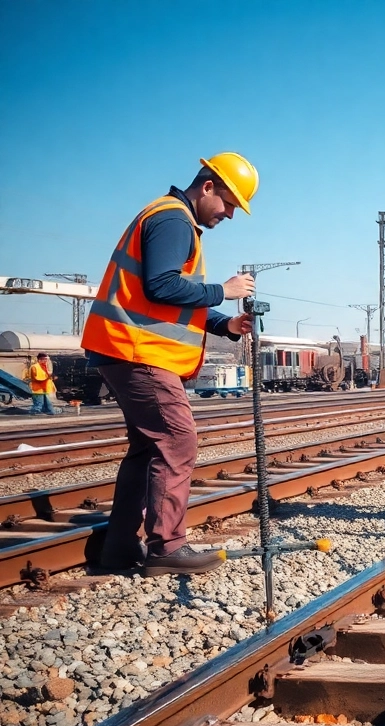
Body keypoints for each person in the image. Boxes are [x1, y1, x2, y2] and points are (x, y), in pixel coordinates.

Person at [81, 153, 259, 576]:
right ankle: (166, 547)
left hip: (125, 348)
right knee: (178, 441)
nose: (230, 215)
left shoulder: (171, 218)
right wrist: (224, 290)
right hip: (137, 350)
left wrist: (226, 324)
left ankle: (120, 548)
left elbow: (174, 300)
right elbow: (161, 285)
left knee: (147, 449)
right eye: (230, 203)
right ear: (209, 186)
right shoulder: (173, 220)